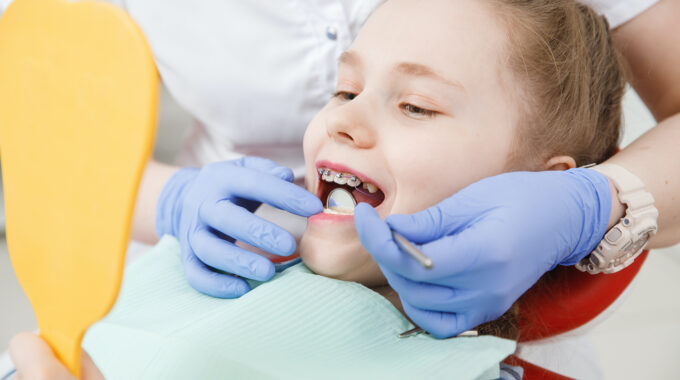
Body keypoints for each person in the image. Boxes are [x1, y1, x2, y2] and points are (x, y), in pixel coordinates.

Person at [9, 0, 631, 377]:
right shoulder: (181, 271)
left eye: (415, 106)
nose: (341, 120)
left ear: (537, 192)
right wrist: (169, 201)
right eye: (345, 91)